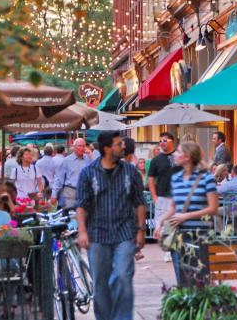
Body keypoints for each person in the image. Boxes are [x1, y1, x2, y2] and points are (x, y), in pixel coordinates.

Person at [76, 131, 146, 320]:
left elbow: (139, 202)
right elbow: (81, 204)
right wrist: (82, 231)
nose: (124, 147)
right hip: (97, 234)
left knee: (123, 276)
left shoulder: (131, 172)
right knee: (100, 282)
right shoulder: (88, 173)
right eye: (119, 144)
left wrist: (141, 230)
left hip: (124, 233)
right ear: (107, 149)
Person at [155, 142, 218, 284]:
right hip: (179, 235)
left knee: (200, 278)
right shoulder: (175, 179)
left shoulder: (206, 178)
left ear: (187, 157)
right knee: (182, 279)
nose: (175, 155)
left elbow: (213, 208)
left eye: (178, 152)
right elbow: (173, 207)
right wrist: (160, 221)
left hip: (200, 235)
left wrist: (186, 216)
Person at [148, 133, 179, 241]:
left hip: (178, 196)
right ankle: (167, 253)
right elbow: (150, 179)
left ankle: (173, 250)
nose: (162, 143)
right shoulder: (156, 160)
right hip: (162, 196)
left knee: (176, 224)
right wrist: (154, 196)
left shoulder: (180, 157)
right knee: (162, 225)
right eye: (160, 141)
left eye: (165, 140)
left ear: (172, 141)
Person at [52, 138, 92, 209]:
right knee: (70, 215)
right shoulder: (66, 160)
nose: (82, 148)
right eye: (80, 146)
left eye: (84, 146)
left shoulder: (89, 159)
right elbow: (59, 178)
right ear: (74, 147)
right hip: (70, 193)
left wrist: (91, 156)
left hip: (85, 192)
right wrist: (54, 194)